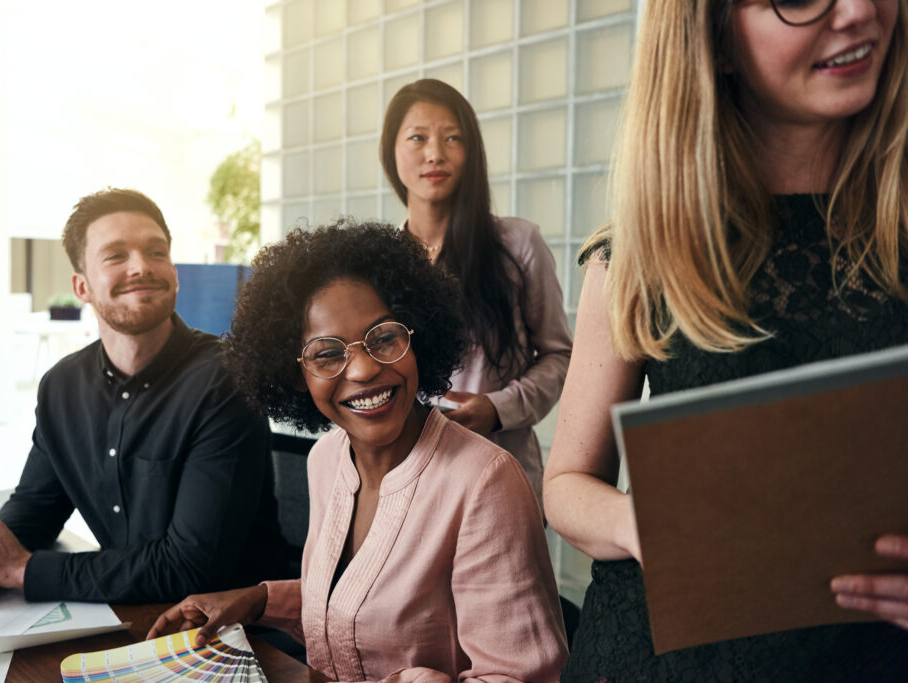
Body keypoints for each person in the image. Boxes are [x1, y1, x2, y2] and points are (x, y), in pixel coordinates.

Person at [543, 0, 908, 680]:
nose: (858, 11)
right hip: (664, 657)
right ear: (712, 40)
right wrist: (638, 524)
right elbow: (564, 485)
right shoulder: (642, 252)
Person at [147, 220, 568, 682]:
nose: (365, 369)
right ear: (295, 376)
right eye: (327, 353)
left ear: (418, 337)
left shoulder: (485, 482)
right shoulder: (325, 460)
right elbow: (357, 604)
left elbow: (518, 676)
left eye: (384, 337)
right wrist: (257, 599)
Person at [0, 188, 285, 606]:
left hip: (235, 632)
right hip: (124, 612)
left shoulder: (227, 379)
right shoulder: (62, 387)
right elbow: (35, 507)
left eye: (156, 252)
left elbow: (191, 567)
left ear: (173, 269)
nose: (142, 267)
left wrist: (21, 570)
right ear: (81, 286)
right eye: (116, 256)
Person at [379, 78, 572, 502]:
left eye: (453, 138)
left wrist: (499, 408)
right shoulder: (379, 264)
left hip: (499, 475)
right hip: (406, 483)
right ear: (391, 152)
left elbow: (560, 355)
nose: (435, 153)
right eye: (417, 138)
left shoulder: (517, 243)